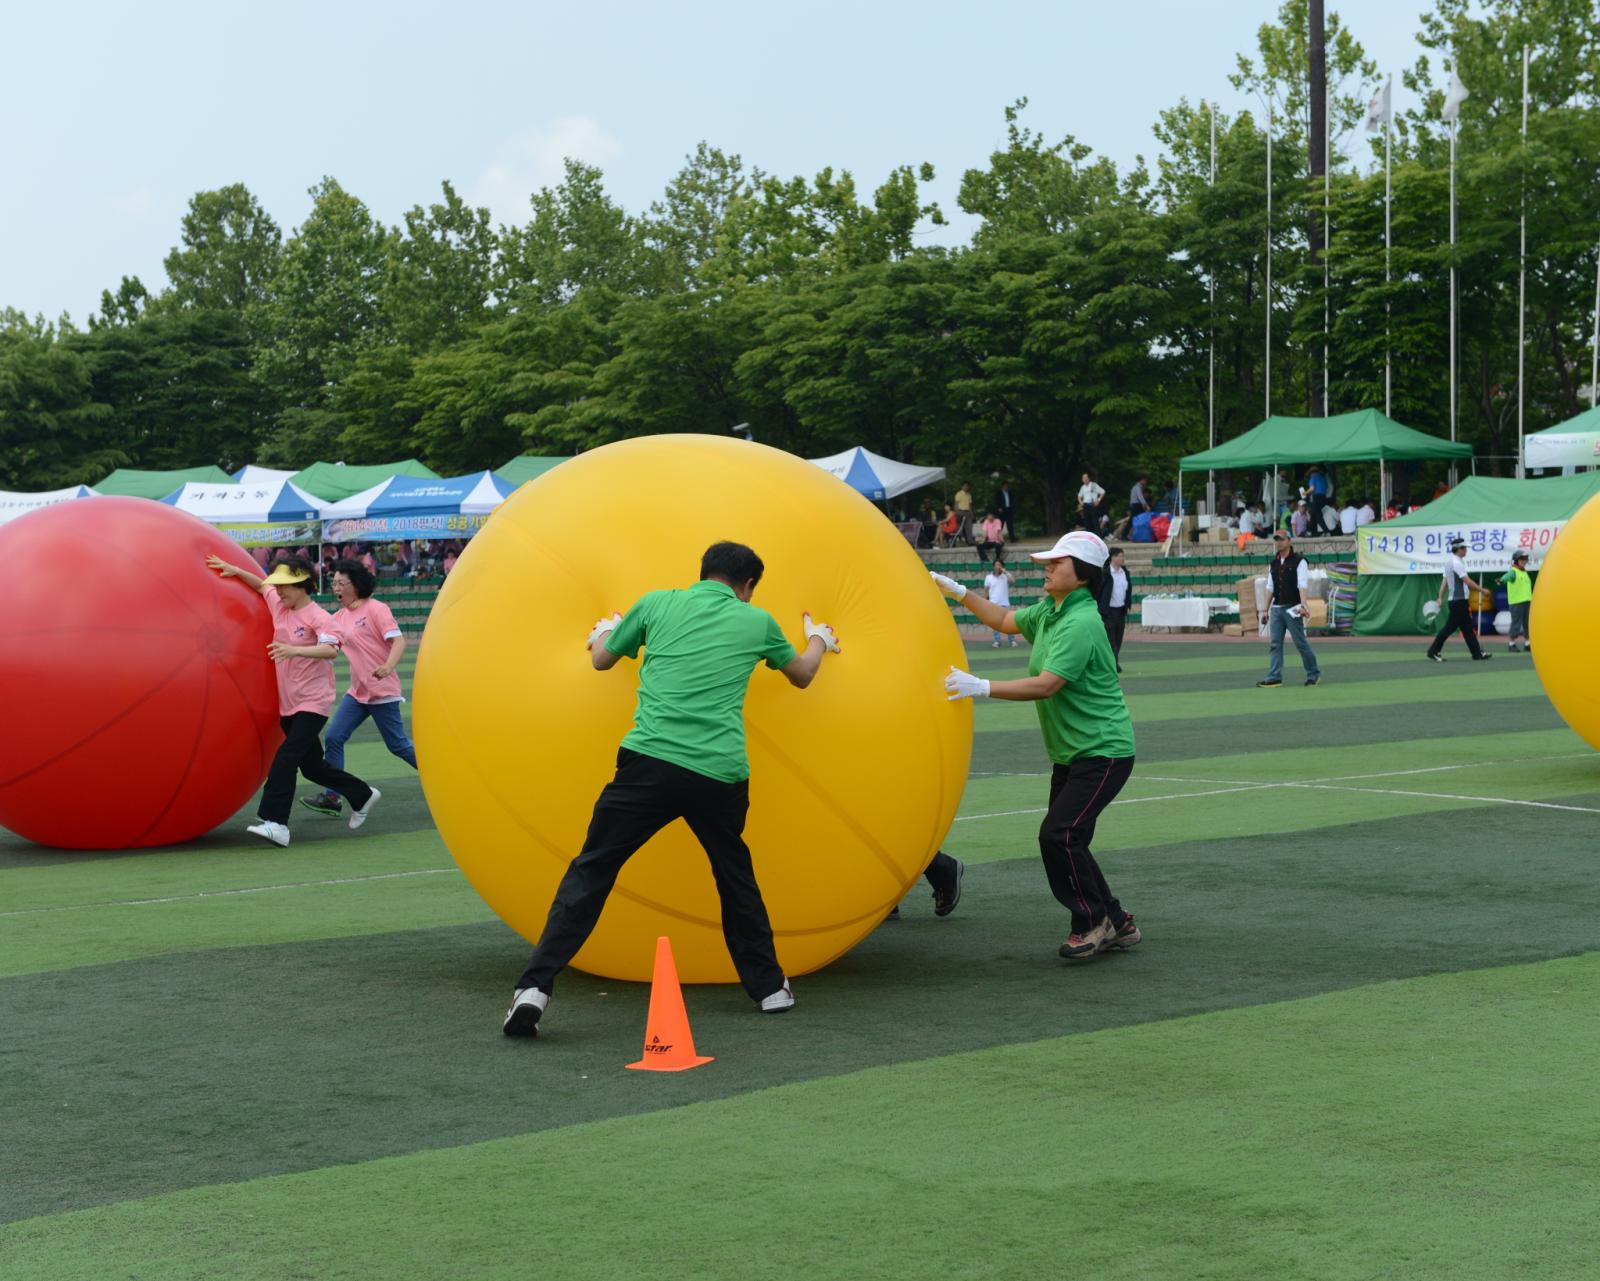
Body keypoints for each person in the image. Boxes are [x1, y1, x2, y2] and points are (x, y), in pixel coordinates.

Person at [503, 541, 841, 1037]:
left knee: (592, 871)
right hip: (719, 774)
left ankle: (534, 988)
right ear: (747, 586)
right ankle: (770, 989)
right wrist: (819, 639)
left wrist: (603, 632)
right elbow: (804, 675)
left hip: (648, 764)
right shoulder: (757, 621)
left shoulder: (656, 603)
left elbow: (601, 660)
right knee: (735, 879)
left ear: (703, 573)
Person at [932, 531, 1141, 961]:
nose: (1047, 568)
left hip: (1103, 751)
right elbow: (1004, 619)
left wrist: (982, 686)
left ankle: (1092, 923)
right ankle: (1117, 920)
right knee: (1070, 838)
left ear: (1082, 575)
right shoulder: (1051, 609)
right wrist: (959, 593)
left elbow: (1047, 684)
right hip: (1073, 752)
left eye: (1057, 563)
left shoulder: (1081, 622)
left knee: (1059, 835)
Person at [205, 554, 380, 846]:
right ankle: (362, 795)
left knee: (286, 757)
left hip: (313, 702)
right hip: (290, 704)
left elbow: (330, 650)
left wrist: (294, 650)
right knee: (313, 767)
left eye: (284, 585)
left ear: (302, 585)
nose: (279, 590)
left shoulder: (318, 617)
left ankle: (276, 824)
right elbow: (262, 586)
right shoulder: (279, 604)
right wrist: (234, 570)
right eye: (278, 585)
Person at [300, 559, 417, 817]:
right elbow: (324, 644)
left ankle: (439, 774)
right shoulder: (338, 618)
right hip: (358, 693)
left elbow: (399, 642)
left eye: (341, 583)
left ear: (356, 584)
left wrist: (387, 666)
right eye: (334, 583)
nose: (336, 588)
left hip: (382, 691)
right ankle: (332, 797)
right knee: (334, 737)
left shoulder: (376, 609)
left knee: (398, 745)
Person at [1256, 531, 1322, 688]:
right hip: (1277, 608)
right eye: (1276, 540)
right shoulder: (1274, 563)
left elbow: (1302, 584)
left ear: (1289, 541)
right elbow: (1270, 587)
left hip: (1293, 607)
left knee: (1300, 643)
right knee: (1275, 644)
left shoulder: (1300, 561)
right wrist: (1264, 610)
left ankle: (1313, 673)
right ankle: (1274, 676)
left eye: (1281, 539)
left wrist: (1303, 604)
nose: (1278, 542)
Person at [1427, 538, 1491, 662]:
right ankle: (1433, 651)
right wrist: (1483, 590)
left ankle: (1477, 653)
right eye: (1464, 548)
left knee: (1467, 629)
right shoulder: (1456, 563)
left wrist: (1440, 597)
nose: (1466, 550)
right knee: (1449, 628)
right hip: (1459, 602)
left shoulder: (1450, 563)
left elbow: (1444, 582)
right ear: (1459, 549)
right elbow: (1467, 581)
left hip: (1457, 602)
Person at [1096, 547, 1131, 672]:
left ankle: (1112, 661)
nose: (1122, 558)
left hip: (1120, 610)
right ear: (1112, 558)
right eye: (1119, 556)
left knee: (1118, 638)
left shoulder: (1125, 572)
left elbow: (1128, 590)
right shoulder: (1105, 573)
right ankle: (1113, 664)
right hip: (1108, 611)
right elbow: (1099, 591)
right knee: (1110, 639)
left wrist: (1128, 604)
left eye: (1123, 556)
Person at [1501, 550, 1533, 653]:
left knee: (1527, 623)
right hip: (1517, 602)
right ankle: (1511, 644)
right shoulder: (1513, 571)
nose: (1524, 561)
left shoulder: (1524, 572)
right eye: (1521, 559)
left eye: (1525, 559)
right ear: (1516, 560)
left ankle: (1527, 643)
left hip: (1527, 601)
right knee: (1516, 623)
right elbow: (1507, 576)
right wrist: (1501, 580)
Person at [983, 558, 1019, 648]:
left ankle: (1012, 640)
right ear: (993, 566)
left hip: (1005, 603)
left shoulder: (1005, 576)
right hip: (993, 603)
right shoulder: (988, 577)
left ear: (1002, 566)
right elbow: (986, 590)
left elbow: (1013, 581)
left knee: (1009, 623)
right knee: (995, 624)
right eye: (996, 565)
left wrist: (1005, 572)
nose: (997, 567)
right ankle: (997, 641)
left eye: (999, 565)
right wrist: (986, 602)